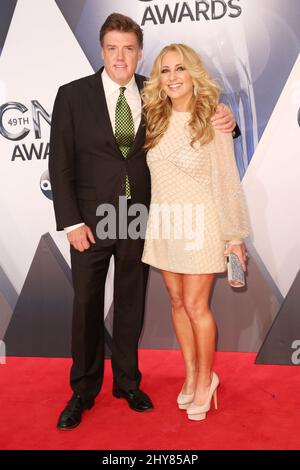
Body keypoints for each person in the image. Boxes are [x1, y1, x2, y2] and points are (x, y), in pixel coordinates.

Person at [49, 13, 237, 430]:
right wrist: (70, 222)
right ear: (102, 51)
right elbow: (58, 162)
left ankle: (128, 383)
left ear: (139, 53)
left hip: (141, 217)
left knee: (131, 305)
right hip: (92, 221)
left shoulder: (155, 92)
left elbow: (199, 118)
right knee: (86, 306)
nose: (121, 56)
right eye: (113, 48)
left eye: (129, 48)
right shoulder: (73, 95)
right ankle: (83, 390)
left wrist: (230, 121)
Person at [141, 43, 250, 421]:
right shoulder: (154, 119)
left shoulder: (213, 120)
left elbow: (226, 181)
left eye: (180, 69)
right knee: (175, 302)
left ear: (193, 75)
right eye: (165, 70)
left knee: (195, 305)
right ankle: (190, 374)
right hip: (165, 222)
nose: (172, 77)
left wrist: (234, 236)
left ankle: (207, 379)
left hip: (202, 223)